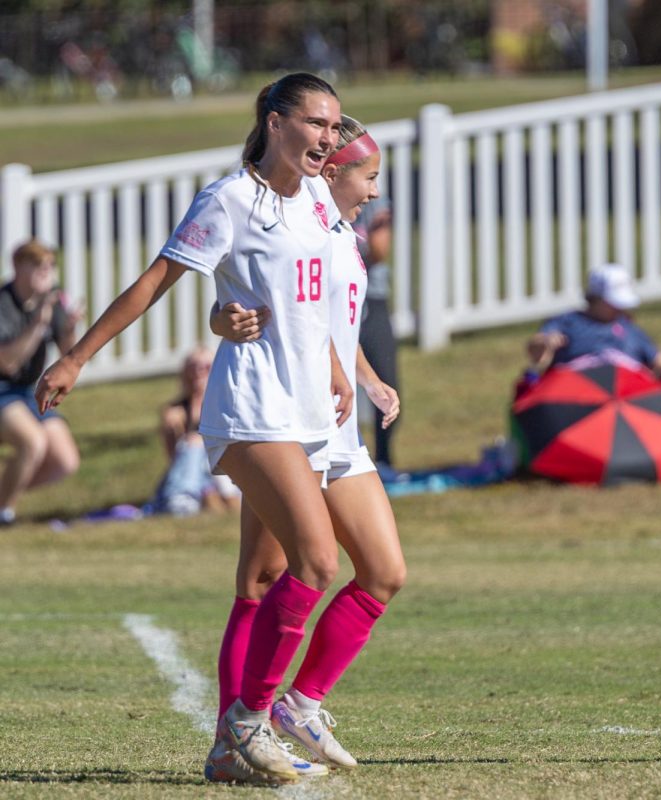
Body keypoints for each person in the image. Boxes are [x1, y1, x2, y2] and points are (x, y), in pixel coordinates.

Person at [37, 72, 354, 785]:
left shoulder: (315, 203)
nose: (328, 139)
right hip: (249, 410)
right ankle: (251, 720)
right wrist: (77, 358)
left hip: (304, 413)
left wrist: (335, 366)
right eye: (315, 123)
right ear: (274, 122)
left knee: (260, 580)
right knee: (319, 562)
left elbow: (309, 301)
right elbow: (155, 282)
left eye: (335, 128)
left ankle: (223, 749)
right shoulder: (230, 199)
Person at [209, 115, 405, 775]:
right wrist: (222, 317)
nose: (375, 191)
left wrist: (370, 381)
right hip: (285, 422)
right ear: (334, 172)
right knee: (260, 582)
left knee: (383, 572)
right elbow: (256, 299)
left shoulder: (342, 235)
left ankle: (300, 704)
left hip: (340, 429)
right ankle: (231, 737)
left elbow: (330, 326)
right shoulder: (296, 216)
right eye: (370, 175)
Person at [525, 263, 661, 408]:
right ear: (595, 298)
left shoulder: (629, 330)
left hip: (626, 393)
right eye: (613, 303)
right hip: (577, 393)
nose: (619, 309)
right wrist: (544, 343)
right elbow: (535, 351)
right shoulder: (568, 322)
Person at [0, 240, 81, 525]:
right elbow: (7, 362)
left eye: (49, 266)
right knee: (32, 442)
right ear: (18, 267)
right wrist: (37, 324)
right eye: (37, 265)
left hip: (26, 392)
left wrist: (70, 330)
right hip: (2, 391)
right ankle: (4, 513)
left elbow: (66, 353)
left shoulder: (51, 300)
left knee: (64, 460)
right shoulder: (4, 303)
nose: (45, 273)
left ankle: (2, 497)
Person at [154, 346, 241, 516]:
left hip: (224, 472)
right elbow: (174, 459)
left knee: (201, 442)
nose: (199, 373)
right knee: (193, 445)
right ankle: (196, 498)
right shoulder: (176, 410)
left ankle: (189, 498)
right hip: (193, 475)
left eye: (206, 367)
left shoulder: (229, 404)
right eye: (193, 368)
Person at [353, 198, 401, 473]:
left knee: (385, 382)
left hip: (372, 301)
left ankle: (383, 459)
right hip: (339, 303)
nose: (373, 190)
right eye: (369, 179)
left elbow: (380, 250)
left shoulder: (372, 201)